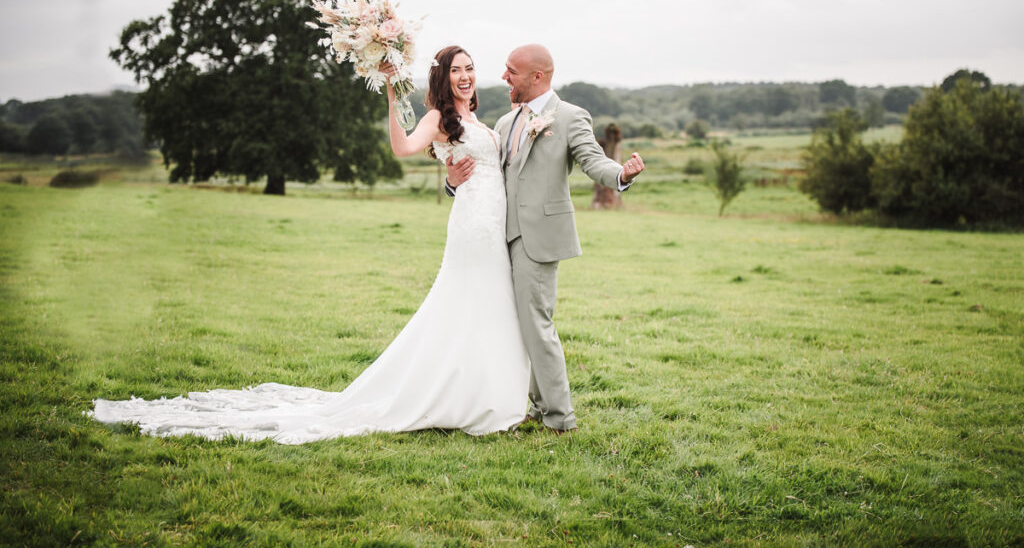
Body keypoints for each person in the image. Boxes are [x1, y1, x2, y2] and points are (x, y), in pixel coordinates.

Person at [90, 46, 531, 443]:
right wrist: (392, 95)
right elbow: (403, 148)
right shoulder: (437, 119)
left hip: (492, 223)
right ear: (443, 77)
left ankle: (485, 391)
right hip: (473, 228)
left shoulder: (479, 121)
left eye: (470, 68)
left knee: (488, 303)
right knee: (469, 300)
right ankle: (468, 398)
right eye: (456, 70)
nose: (465, 76)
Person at [445, 44, 644, 433]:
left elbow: (592, 160)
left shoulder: (570, 117)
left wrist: (622, 174)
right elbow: (488, 175)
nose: (503, 77)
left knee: (536, 323)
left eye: (511, 71)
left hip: (539, 236)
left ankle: (560, 417)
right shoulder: (506, 123)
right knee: (521, 324)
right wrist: (453, 184)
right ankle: (538, 407)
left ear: (536, 77)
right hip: (499, 235)